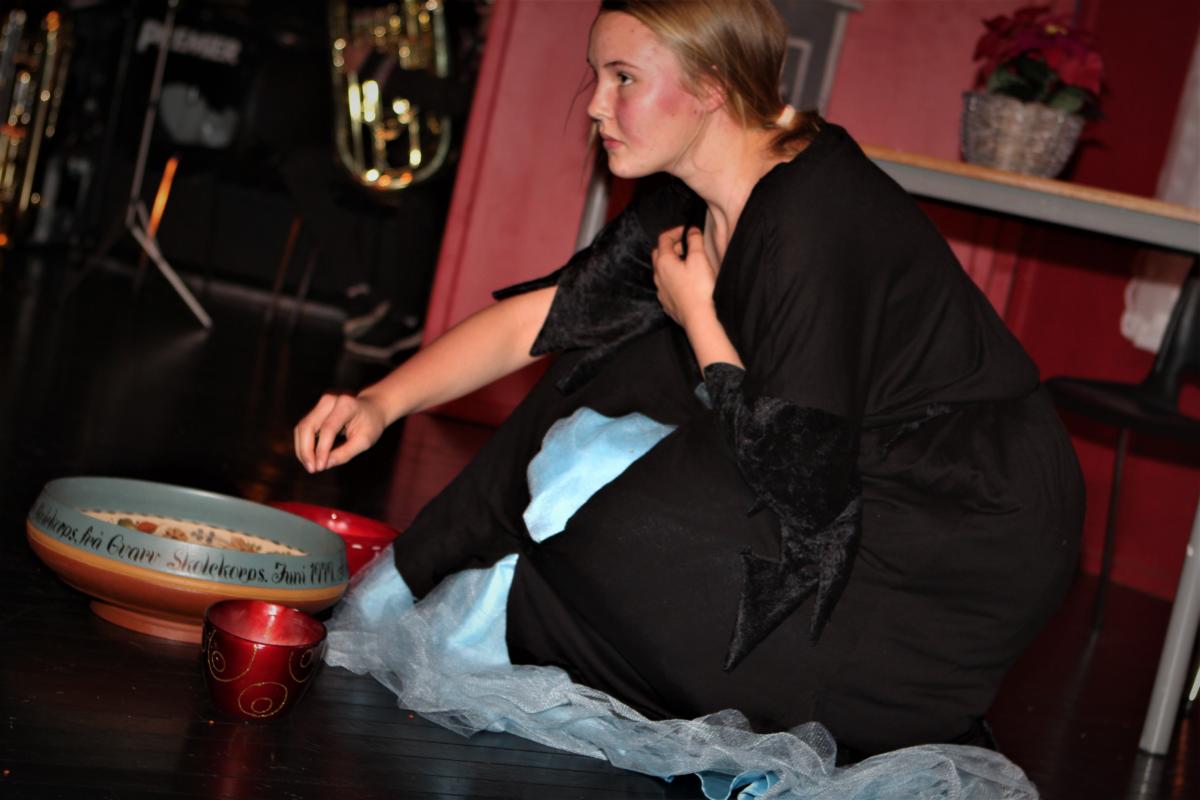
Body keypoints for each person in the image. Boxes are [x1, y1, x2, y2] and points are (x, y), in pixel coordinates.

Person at [294, 0, 1083, 769]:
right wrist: (381, 401)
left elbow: (805, 487)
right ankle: (448, 576)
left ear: (711, 87)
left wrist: (701, 316)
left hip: (956, 516)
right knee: (598, 364)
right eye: (596, 76)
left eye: (624, 78)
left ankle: (866, 694)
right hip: (833, 463)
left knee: (615, 540)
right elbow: (548, 316)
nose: (595, 104)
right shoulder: (692, 191)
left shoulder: (811, 216)